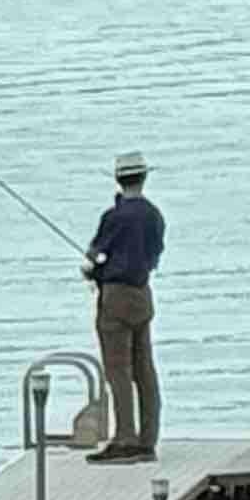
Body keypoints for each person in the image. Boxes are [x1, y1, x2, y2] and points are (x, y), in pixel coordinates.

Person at [83, 151, 164, 462]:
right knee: (145, 370)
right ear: (143, 177)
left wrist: (91, 271)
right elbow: (155, 255)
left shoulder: (114, 217)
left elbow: (94, 254)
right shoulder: (155, 215)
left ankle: (125, 440)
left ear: (118, 179)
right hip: (142, 293)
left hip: (115, 295)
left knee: (118, 370)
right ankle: (148, 440)